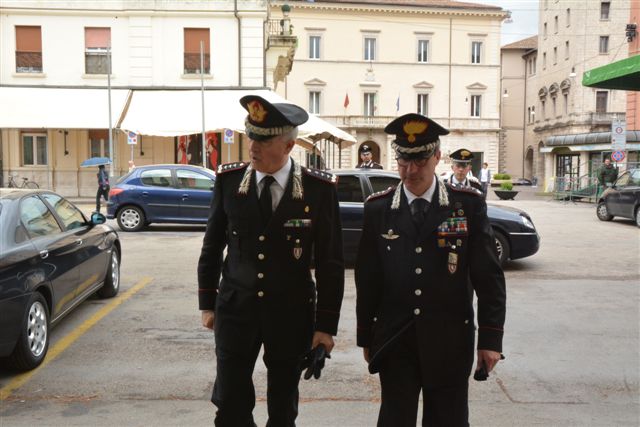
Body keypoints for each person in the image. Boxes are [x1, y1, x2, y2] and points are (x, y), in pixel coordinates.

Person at [197, 95, 345, 426]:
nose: (253, 146)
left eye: (264, 140)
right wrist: (207, 304)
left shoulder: (317, 190)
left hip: (290, 315)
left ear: (289, 146)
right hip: (235, 313)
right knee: (230, 405)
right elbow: (211, 247)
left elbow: (330, 263)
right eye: (252, 136)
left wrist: (325, 327)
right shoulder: (229, 180)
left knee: (282, 408)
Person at [355, 113, 506, 427]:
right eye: (403, 162)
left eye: (420, 162)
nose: (410, 171)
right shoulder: (378, 208)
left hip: (450, 338)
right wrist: (366, 336)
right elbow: (368, 278)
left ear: (437, 157)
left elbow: (488, 276)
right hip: (395, 338)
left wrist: (491, 339)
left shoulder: (467, 205)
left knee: (447, 419)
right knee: (395, 419)